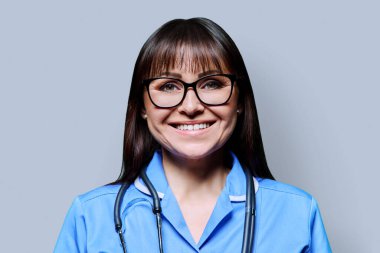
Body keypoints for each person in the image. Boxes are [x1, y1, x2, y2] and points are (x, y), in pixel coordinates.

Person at [54, 17, 332, 253]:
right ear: (141, 107)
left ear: (240, 103)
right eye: (169, 86)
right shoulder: (90, 217)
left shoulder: (297, 213)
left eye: (211, 83)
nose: (191, 107)